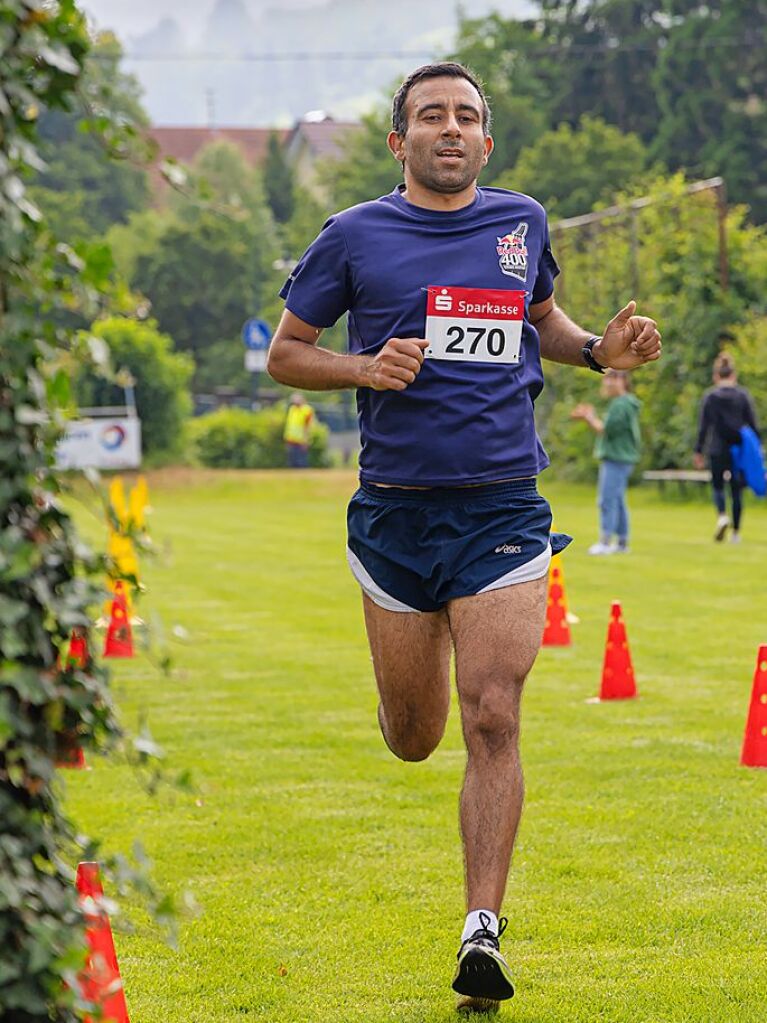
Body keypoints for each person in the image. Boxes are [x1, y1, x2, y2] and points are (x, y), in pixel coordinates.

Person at [267, 62, 661, 1012]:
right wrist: (365, 366)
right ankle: (405, 699)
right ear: (399, 142)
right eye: (430, 117)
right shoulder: (353, 235)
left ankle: (481, 930)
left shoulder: (520, 223)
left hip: (501, 509)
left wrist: (597, 351)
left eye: (467, 116)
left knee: (492, 712)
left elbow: (541, 323)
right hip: (395, 512)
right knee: (416, 736)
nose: (451, 129)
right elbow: (286, 353)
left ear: (487, 139)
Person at [571, 369, 642, 555]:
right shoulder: (624, 403)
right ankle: (622, 543)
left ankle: (605, 542)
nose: (608, 384)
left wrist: (588, 417)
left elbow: (606, 430)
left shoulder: (621, 404)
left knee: (607, 500)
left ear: (622, 381)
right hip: (623, 459)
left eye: (613, 379)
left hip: (616, 458)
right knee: (618, 501)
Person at [693, 352, 761, 542]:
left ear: (716, 376)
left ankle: (722, 515)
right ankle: (736, 533)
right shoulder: (742, 396)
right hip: (738, 450)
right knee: (736, 490)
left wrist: (698, 450)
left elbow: (703, 426)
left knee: (717, 487)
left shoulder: (710, 397)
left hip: (717, 447)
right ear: (734, 375)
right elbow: (753, 425)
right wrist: (758, 451)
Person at [283, 391, 314, 468]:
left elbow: (308, 426)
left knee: (301, 462)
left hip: (301, 441)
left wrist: (306, 440)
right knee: (292, 462)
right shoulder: (292, 409)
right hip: (291, 439)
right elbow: (289, 425)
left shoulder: (306, 410)